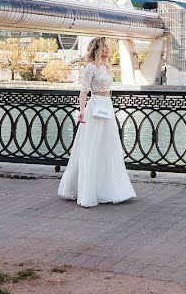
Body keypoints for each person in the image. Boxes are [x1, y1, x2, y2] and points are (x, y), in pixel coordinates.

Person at [58, 38, 135, 207]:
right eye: (105, 46)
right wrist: (82, 110)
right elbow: (84, 90)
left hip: (107, 106)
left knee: (108, 145)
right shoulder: (90, 67)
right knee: (92, 145)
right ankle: (87, 190)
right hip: (95, 107)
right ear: (98, 49)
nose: (108, 49)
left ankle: (106, 187)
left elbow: (109, 90)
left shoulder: (106, 67)